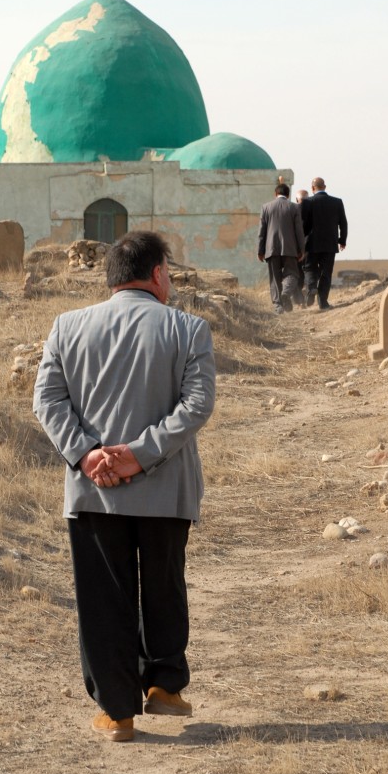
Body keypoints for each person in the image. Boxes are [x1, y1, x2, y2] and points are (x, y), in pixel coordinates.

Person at [33, 230, 215, 743]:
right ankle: (164, 686)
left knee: (103, 597)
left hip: (93, 490)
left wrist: (89, 454)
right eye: (170, 273)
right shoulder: (189, 329)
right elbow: (196, 406)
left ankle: (118, 714)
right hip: (166, 489)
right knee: (164, 584)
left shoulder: (67, 327)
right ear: (158, 274)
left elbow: (47, 401)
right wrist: (140, 455)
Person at [257, 182, 305, 314]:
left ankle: (278, 306)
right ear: (288, 195)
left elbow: (262, 231)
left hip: (271, 248)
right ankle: (286, 292)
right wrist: (302, 249)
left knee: (274, 277)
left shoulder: (266, 207)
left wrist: (260, 250)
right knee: (292, 274)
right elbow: (299, 231)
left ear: (275, 194)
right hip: (290, 248)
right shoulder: (294, 208)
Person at [300, 177, 348, 310]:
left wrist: (301, 243)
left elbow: (303, 225)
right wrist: (342, 240)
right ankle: (323, 303)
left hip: (311, 243)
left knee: (309, 268)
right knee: (326, 273)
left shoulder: (307, 202)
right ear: (325, 187)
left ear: (312, 188)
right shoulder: (337, 202)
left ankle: (311, 288)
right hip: (330, 244)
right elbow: (343, 223)